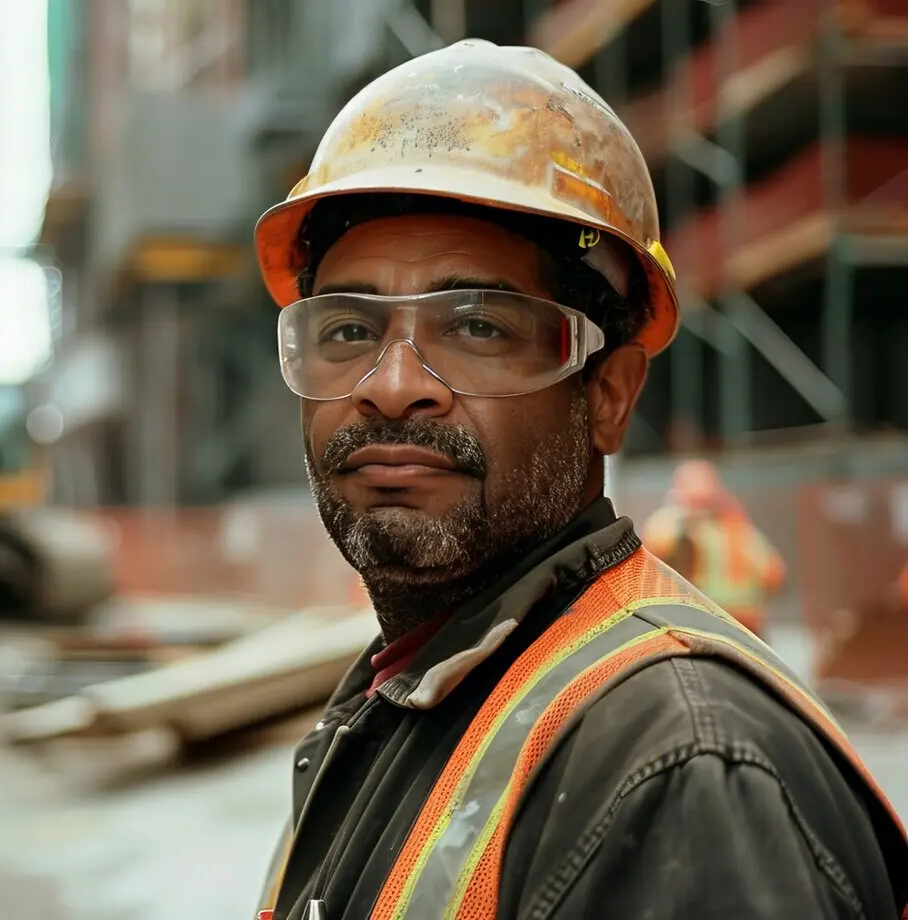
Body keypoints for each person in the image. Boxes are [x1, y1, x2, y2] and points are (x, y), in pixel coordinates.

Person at [249, 39, 908, 920]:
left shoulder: (679, 768)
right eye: (345, 332)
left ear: (606, 395)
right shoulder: (410, 693)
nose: (392, 384)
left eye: (476, 326)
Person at [640, 459, 786, 636]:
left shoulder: (672, 523)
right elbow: (774, 575)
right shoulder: (739, 528)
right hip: (742, 629)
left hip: (707, 625)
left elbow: (773, 575)